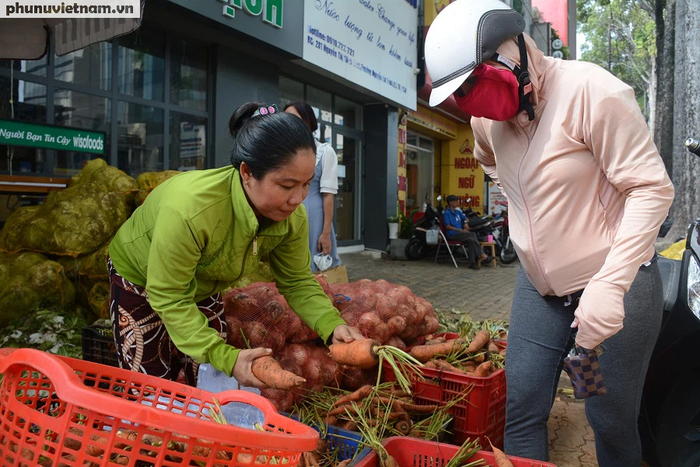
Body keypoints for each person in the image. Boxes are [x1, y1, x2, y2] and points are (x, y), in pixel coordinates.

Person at [425, 1, 674, 466]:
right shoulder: (486, 120)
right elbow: (488, 161)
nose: (477, 102)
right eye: (466, 94)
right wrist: (526, 212)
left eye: (479, 84)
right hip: (542, 289)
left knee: (609, 418)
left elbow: (651, 190)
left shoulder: (592, 92)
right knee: (522, 406)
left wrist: (611, 283)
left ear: (513, 52)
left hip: (615, 286)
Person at [108, 102, 363, 389]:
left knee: (207, 374)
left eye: (306, 184)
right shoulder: (192, 210)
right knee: (153, 384)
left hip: (204, 281)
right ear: (247, 172)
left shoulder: (292, 217)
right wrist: (225, 357)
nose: (298, 198)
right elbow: (169, 295)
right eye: (286, 185)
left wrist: (332, 326)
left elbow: (297, 281)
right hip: (140, 276)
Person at [284, 102, 341, 273]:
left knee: (312, 271)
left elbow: (328, 195)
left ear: (308, 122)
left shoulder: (325, 152)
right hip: (284, 214)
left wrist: (325, 233)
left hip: (313, 218)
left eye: (295, 118)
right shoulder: (281, 152)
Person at [442, 194, 493, 269]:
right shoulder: (447, 213)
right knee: (472, 235)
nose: (457, 202)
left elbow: (466, 218)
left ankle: (472, 263)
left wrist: (465, 222)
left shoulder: (458, 212)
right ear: (450, 203)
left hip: (460, 233)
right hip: (452, 234)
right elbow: (448, 226)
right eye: (455, 201)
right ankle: (482, 255)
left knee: (471, 240)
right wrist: (460, 230)